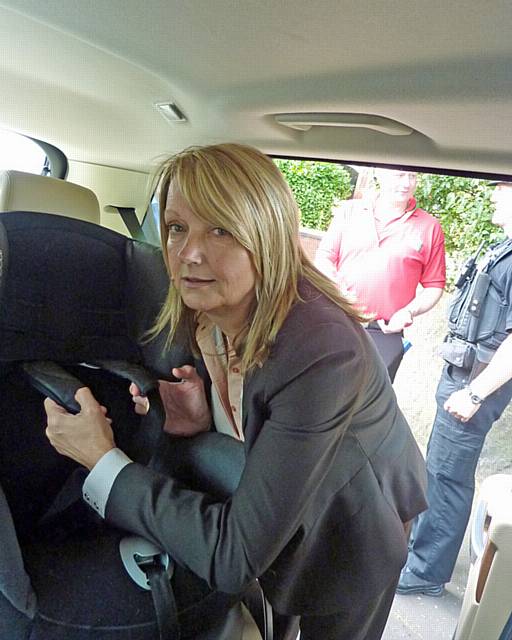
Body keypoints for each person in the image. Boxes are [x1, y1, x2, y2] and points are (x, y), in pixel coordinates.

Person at [44, 143, 427, 640]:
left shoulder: (324, 348)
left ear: (264, 235)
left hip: (354, 525)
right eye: (178, 228)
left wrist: (103, 461)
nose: (189, 253)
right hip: (282, 518)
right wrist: (208, 421)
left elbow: (233, 557)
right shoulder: (205, 315)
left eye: (220, 229)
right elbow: (265, 421)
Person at [398, 179, 512, 597]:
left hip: (474, 384)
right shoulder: (504, 246)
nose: (495, 195)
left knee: (448, 477)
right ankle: (419, 557)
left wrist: (476, 393)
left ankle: (427, 573)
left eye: (502, 188)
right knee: (439, 470)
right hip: (462, 376)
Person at [315, 168, 446, 382]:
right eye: (399, 175)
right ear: (379, 174)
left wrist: (409, 311)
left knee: (367, 406)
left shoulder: (429, 227)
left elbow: (434, 286)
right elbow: (324, 257)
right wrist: (338, 292)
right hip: (335, 320)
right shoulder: (350, 211)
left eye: (412, 176)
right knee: (320, 390)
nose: (406, 183)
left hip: (384, 333)